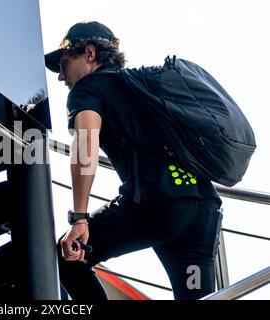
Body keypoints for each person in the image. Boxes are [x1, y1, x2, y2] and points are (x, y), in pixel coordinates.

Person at [45, 21, 223, 300]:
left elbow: (85, 145)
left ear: (89, 53)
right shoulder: (140, 86)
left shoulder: (88, 90)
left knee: (67, 257)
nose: (60, 77)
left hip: (156, 208)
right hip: (202, 208)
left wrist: (80, 218)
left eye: (64, 64)